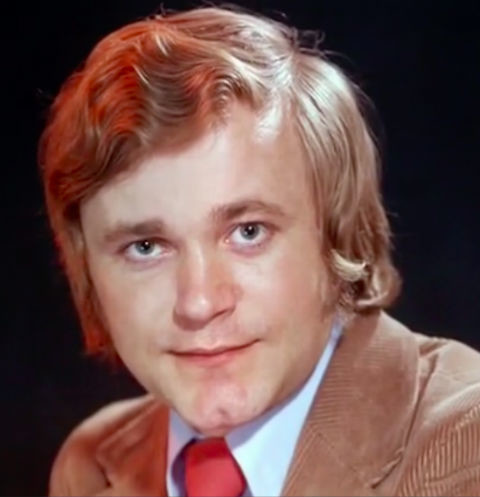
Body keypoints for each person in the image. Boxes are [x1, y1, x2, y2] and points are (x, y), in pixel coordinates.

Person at [38, 5, 480, 497]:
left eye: (248, 232)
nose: (199, 303)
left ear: (336, 235)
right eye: (146, 247)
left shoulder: (466, 448)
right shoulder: (91, 464)